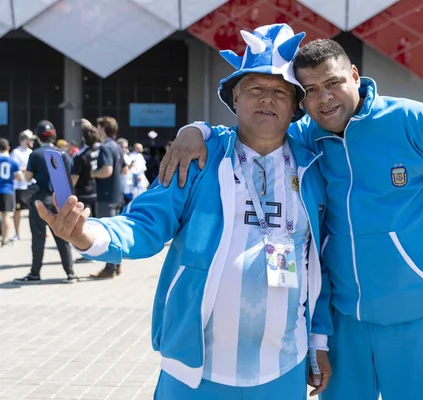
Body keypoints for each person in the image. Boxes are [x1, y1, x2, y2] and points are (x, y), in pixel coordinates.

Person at [160, 37, 423, 399]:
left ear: (354, 75)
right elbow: (250, 131)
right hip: (345, 326)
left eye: (333, 83)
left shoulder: (414, 121)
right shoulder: (306, 136)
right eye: (312, 90)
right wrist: (195, 131)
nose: (324, 98)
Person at [34, 24, 332, 399]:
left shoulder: (313, 169)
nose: (267, 99)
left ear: (295, 106)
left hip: (283, 368)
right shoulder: (199, 159)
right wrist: (85, 234)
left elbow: (317, 263)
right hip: (195, 370)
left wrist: (318, 340)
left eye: (279, 92)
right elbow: (144, 225)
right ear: (234, 99)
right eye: (255, 89)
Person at [14, 120, 77, 283]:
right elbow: (70, 175)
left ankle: (35, 273)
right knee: (62, 236)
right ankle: (70, 272)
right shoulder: (62, 153)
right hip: (60, 200)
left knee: (38, 236)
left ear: (38, 136)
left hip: (40, 199)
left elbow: (27, 178)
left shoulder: (35, 154)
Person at [89, 116, 126, 278]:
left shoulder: (105, 148)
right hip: (117, 194)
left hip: (106, 195)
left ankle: (109, 268)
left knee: (107, 232)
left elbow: (107, 171)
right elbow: (124, 169)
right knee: (116, 231)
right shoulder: (117, 147)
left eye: (98, 127)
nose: (96, 131)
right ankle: (116, 265)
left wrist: (91, 173)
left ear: (103, 129)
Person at [71, 123, 101, 217]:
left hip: (83, 193)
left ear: (83, 138)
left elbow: (75, 176)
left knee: (85, 221)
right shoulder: (100, 151)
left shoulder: (81, 156)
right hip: (97, 190)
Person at [10, 129, 34, 240]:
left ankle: (36, 231)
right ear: (25, 140)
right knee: (18, 211)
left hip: (30, 185)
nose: (32, 141)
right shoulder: (16, 152)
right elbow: (14, 168)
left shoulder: (30, 152)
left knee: (34, 210)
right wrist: (26, 169)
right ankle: (17, 233)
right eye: (30, 139)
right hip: (19, 186)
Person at [0, 138, 24, 246]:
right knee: (6, 216)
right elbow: (20, 177)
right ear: (8, 147)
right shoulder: (12, 162)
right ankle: (4, 239)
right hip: (7, 190)